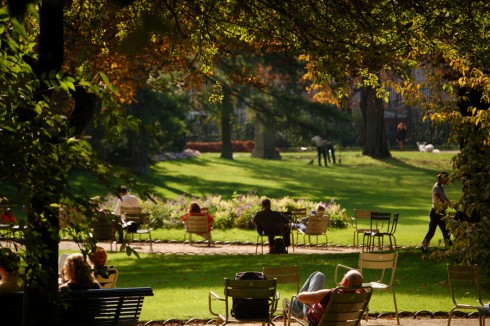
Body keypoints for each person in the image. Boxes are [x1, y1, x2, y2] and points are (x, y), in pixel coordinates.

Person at [284, 269, 363, 326]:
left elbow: (300, 297)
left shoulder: (329, 294)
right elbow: (362, 290)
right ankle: (293, 308)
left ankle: (292, 308)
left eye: (344, 276)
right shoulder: (359, 298)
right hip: (337, 322)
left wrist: (312, 293)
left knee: (318, 275)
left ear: (345, 280)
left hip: (314, 319)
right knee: (318, 276)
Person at [421, 172, 452, 252]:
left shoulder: (441, 187)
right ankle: (423, 245)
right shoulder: (436, 188)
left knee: (446, 230)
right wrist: (446, 204)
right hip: (435, 213)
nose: (446, 181)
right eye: (444, 179)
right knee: (431, 231)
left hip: (441, 212)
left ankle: (448, 247)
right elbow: (439, 200)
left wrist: (451, 204)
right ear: (440, 179)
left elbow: (444, 198)